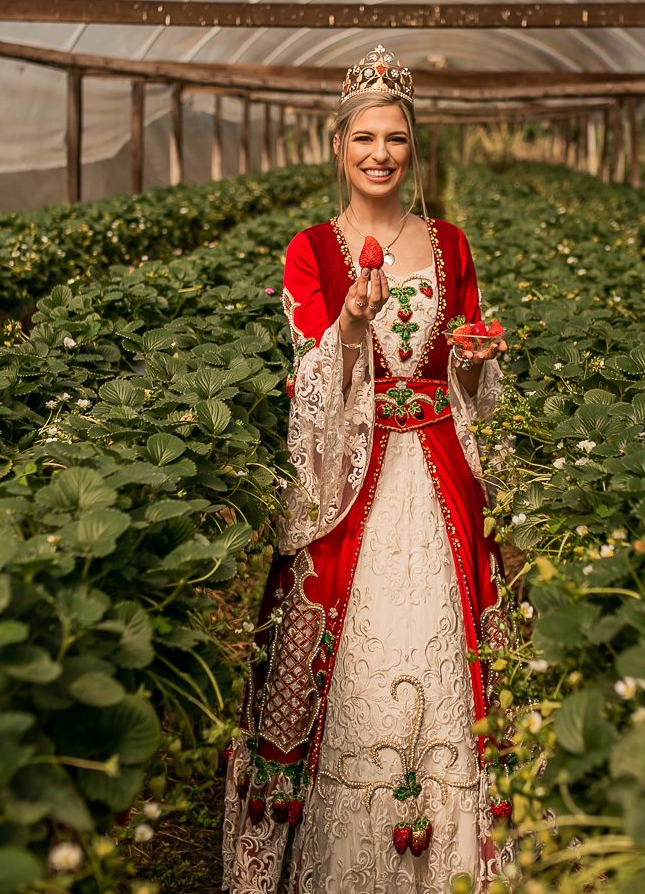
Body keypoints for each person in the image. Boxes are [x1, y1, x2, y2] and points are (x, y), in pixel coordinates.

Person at [222, 46, 510, 892]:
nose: (381, 154)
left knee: (451, 647)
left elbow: (468, 368)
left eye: (395, 139)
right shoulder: (312, 249)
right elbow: (314, 381)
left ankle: (456, 854)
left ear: (412, 148)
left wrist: (473, 360)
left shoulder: (450, 244)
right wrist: (350, 325)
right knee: (351, 657)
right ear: (337, 145)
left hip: (442, 474)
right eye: (365, 139)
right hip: (356, 483)